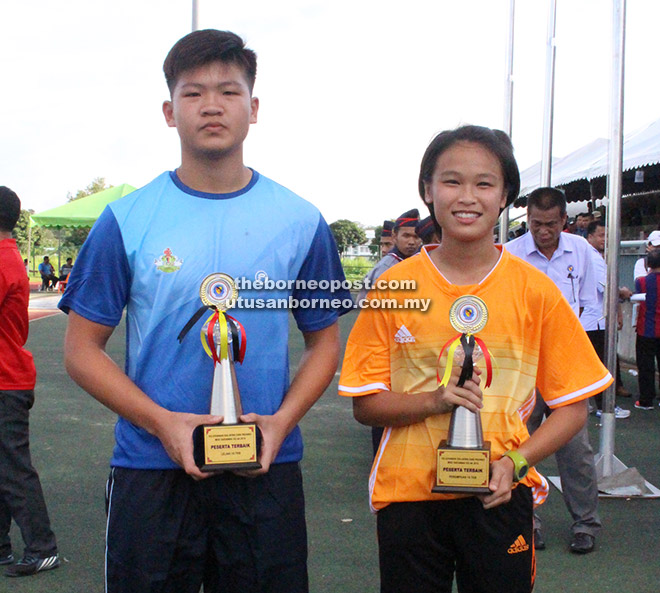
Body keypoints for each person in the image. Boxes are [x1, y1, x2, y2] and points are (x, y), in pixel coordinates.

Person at [60, 30, 350, 593]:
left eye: (228, 91)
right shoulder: (125, 219)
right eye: (194, 94)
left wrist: (280, 422)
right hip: (151, 465)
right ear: (170, 112)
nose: (212, 106)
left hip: (264, 463)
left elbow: (324, 342)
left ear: (254, 107)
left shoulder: (300, 219)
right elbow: (80, 350)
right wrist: (162, 423)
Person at [338, 125, 612, 593]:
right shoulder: (393, 287)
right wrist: (437, 400)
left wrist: (516, 464)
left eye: (484, 183)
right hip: (408, 496)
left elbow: (572, 408)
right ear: (427, 189)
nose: (468, 197)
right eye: (452, 181)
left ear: (505, 195)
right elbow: (366, 405)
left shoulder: (535, 291)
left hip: (498, 493)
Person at [505, 187, 602, 554]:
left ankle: (586, 524)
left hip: (566, 364)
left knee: (576, 450)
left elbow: (592, 305)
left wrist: (571, 340)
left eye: (549, 224)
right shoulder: (511, 254)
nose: (542, 231)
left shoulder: (582, 250)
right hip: (523, 365)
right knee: (519, 443)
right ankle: (528, 521)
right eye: (535, 224)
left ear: (565, 220)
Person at [0, 186, 59, 577]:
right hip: (9, 377)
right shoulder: (10, 257)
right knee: (4, 465)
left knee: (12, 467)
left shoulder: (2, 260)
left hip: (5, 380)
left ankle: (42, 547)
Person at [582, 220, 631, 418]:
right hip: (594, 321)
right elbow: (607, 288)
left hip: (591, 319)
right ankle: (604, 406)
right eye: (601, 235)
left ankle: (592, 404)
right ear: (590, 236)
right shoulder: (592, 258)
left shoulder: (590, 256)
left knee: (590, 365)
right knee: (600, 366)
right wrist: (623, 292)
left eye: (607, 236)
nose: (605, 240)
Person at [356, 208, 421, 304]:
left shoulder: (419, 262)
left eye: (416, 237)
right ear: (395, 236)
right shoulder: (387, 267)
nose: (411, 242)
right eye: (406, 236)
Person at [633, 249, 660, 410]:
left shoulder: (642, 281)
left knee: (645, 366)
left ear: (648, 264)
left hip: (646, 329)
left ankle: (646, 400)